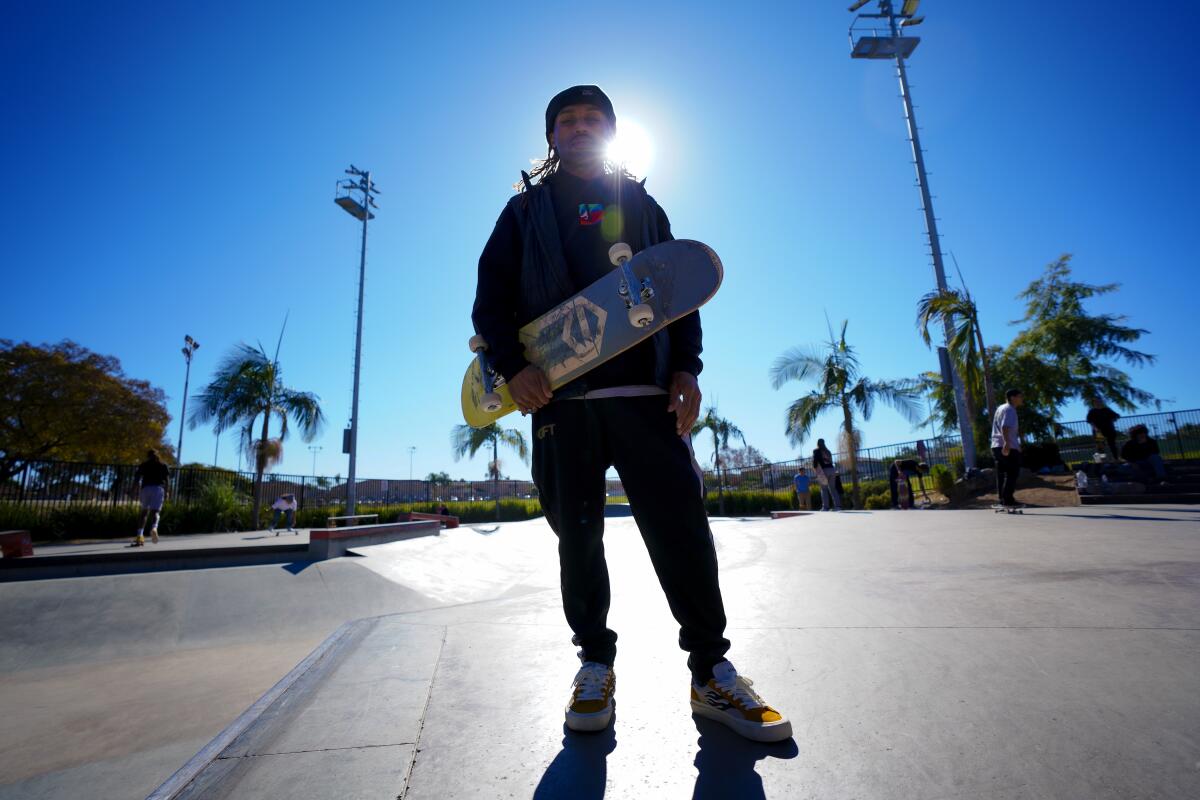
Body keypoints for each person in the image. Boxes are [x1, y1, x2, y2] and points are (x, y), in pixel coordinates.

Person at [471, 85, 790, 742]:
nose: (581, 128)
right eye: (568, 120)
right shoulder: (522, 213)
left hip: (644, 397)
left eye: (594, 120)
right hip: (562, 403)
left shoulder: (639, 204)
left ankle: (712, 671)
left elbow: (681, 291)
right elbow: (490, 302)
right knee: (578, 540)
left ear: (611, 132)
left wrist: (687, 369)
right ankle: (594, 664)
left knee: (682, 530)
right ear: (552, 136)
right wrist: (514, 366)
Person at [990, 389, 1024, 508]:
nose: (1021, 398)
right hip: (1005, 446)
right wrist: (1007, 443)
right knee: (1013, 472)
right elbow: (1005, 427)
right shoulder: (1010, 409)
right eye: (1020, 396)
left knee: (1002, 473)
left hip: (996, 445)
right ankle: (1008, 499)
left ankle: (1002, 499)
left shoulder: (1001, 408)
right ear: (1012, 397)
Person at [132, 449, 169, 546]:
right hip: (158, 488)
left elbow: (137, 478)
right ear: (158, 455)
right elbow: (167, 480)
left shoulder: (144, 465)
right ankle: (154, 528)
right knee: (155, 512)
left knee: (144, 512)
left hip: (146, 488)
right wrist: (167, 492)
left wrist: (134, 489)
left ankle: (139, 536)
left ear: (148, 456)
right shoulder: (162, 465)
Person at [811, 438, 842, 511]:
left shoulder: (816, 451)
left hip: (823, 471)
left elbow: (815, 461)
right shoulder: (828, 451)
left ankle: (825, 507)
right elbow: (830, 461)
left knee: (824, 489)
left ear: (817, 444)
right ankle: (838, 506)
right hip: (832, 470)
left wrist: (815, 468)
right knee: (833, 489)